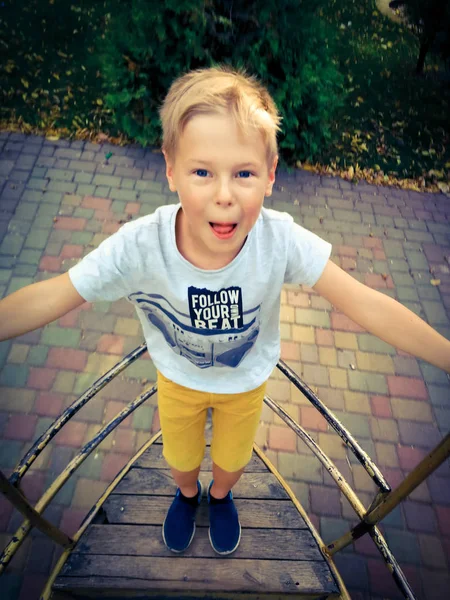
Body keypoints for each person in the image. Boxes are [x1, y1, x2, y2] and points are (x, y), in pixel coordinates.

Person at [0, 65, 449, 557]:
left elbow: (365, 303)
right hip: (177, 379)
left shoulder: (279, 241)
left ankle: (221, 496)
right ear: (170, 169)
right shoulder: (139, 248)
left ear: (270, 176)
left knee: (233, 461)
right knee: (180, 460)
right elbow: (57, 293)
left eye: (243, 173)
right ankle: (187, 495)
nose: (224, 194)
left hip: (246, 383)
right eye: (202, 171)